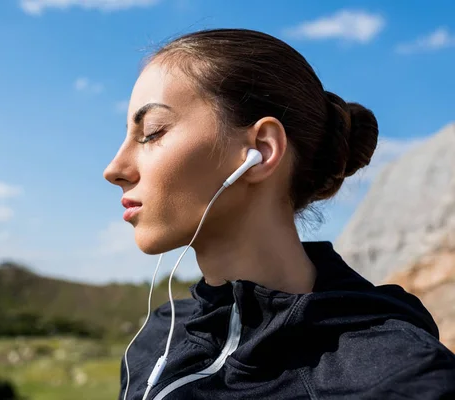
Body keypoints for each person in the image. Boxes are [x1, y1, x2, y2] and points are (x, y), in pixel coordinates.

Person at [103, 28, 455, 400]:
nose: (114, 168)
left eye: (153, 132)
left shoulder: (400, 378)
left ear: (261, 150)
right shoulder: (160, 335)